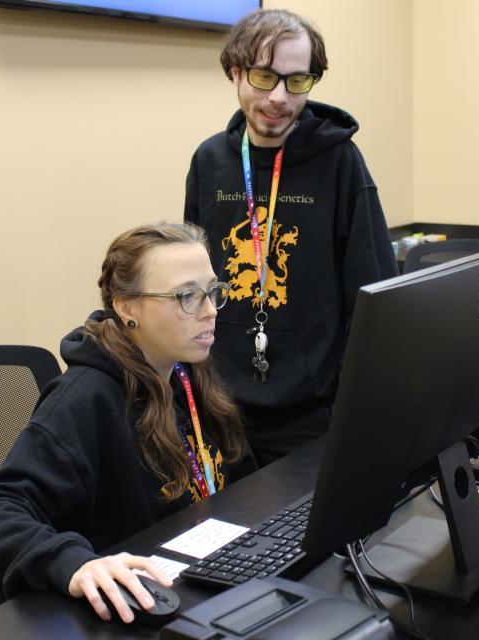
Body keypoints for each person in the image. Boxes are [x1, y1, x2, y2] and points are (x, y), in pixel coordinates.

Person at [0, 223, 256, 623]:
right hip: (129, 614)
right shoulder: (85, 398)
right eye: (187, 296)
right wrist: (74, 563)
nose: (209, 310)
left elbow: (242, 480)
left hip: (199, 581)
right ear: (127, 306)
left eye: (212, 292)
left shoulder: (189, 372)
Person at [184, 8, 398, 466]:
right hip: (222, 409)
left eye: (297, 81)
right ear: (236, 72)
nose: (279, 96)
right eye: (264, 77)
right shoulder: (209, 161)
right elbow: (193, 281)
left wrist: (351, 407)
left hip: (312, 415)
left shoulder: (340, 161)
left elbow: (373, 292)